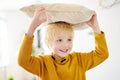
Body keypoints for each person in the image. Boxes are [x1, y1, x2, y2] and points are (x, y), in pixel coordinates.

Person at [18, 7, 109, 80]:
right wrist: (32, 27)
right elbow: (23, 61)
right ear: (48, 42)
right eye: (59, 40)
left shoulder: (79, 60)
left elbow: (102, 54)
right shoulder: (43, 64)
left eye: (69, 39)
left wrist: (95, 28)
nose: (66, 45)